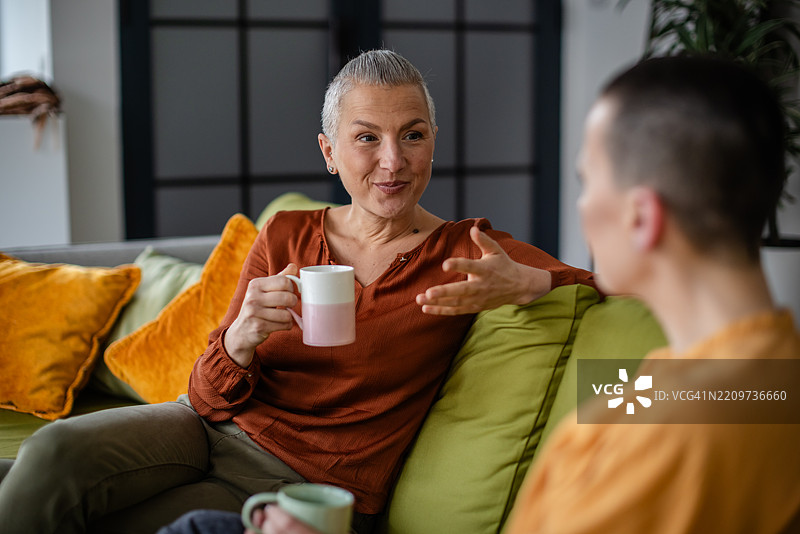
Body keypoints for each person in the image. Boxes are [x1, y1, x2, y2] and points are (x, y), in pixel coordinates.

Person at [0, 50, 593, 534]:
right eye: (367, 138)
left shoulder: (467, 250)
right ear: (329, 152)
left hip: (299, 482)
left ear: (433, 142)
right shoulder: (286, 233)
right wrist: (239, 339)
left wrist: (529, 280)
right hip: (202, 429)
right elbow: (204, 398)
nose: (393, 161)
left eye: (412, 135)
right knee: (52, 454)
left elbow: (612, 281)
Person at [501, 56, 800, 533]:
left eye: (588, 181)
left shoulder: (662, 438)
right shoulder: (774, 372)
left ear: (641, 217)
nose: (583, 205)